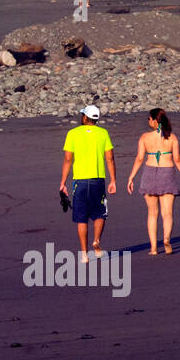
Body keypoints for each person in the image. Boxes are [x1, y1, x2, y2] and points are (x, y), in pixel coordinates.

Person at [126, 108, 180, 255]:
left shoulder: (145, 137)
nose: (148, 121)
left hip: (149, 173)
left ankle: (154, 248)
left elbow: (139, 159)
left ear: (155, 120)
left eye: (149, 119)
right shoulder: (172, 137)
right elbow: (177, 159)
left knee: (152, 213)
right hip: (167, 173)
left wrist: (131, 177)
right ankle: (166, 239)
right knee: (167, 213)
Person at [59, 104, 117, 263]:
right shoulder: (103, 133)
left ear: (85, 117)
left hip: (80, 181)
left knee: (81, 218)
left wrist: (63, 182)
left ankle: (84, 254)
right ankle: (96, 240)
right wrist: (113, 180)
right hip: (98, 179)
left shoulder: (73, 133)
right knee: (100, 213)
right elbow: (110, 158)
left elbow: (68, 159)